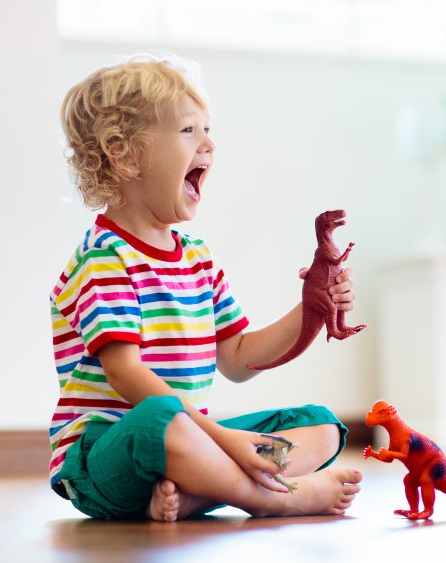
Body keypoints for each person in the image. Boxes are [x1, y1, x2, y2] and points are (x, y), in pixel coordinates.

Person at [48, 55, 362, 521]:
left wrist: (309, 309)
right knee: (161, 421)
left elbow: (238, 359)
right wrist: (223, 437)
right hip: (103, 460)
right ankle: (275, 495)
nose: (210, 144)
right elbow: (126, 376)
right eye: (189, 130)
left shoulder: (197, 257)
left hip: (191, 442)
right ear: (123, 152)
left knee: (320, 425)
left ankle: (198, 492)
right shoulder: (104, 257)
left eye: (208, 129)